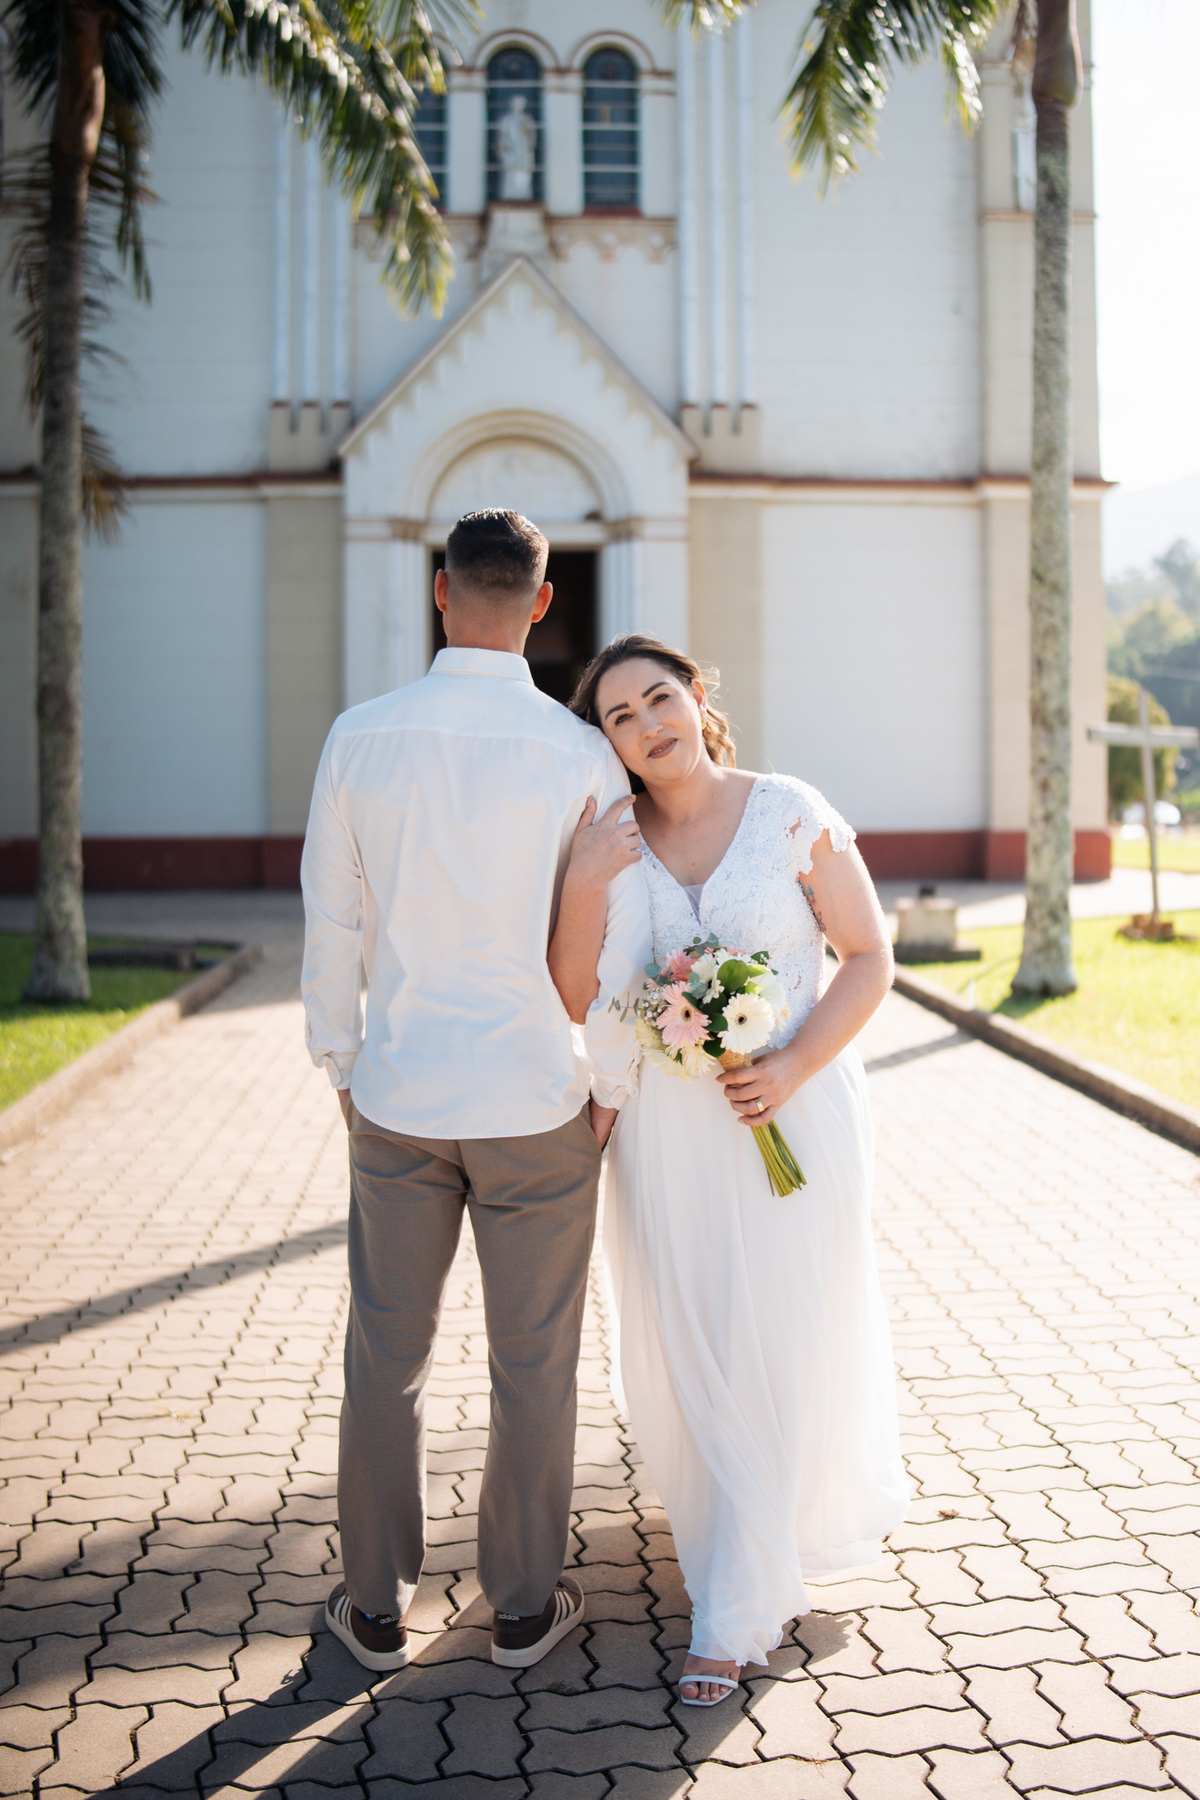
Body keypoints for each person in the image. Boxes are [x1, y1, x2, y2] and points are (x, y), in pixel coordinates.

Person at [301, 512, 649, 1673]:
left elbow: (331, 920)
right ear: (543, 604)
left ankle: (373, 1609)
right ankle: (520, 1609)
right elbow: (612, 940)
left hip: (399, 1095)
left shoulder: (358, 737)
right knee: (534, 1363)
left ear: (440, 592)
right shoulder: (582, 754)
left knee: (384, 1357)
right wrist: (611, 1087)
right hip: (539, 1103)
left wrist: (341, 1063)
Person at [549, 634, 909, 1706]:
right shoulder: (610, 840)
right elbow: (577, 994)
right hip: (668, 1138)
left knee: (779, 1337)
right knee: (698, 1342)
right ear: (607, 743)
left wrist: (791, 1065)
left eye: (659, 698)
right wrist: (583, 878)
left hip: (793, 1117)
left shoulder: (789, 810)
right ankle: (740, 1548)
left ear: (697, 696)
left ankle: (736, 1607)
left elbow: (870, 956)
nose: (648, 725)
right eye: (620, 717)